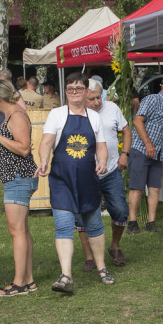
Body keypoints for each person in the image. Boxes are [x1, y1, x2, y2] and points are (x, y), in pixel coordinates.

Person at [37, 72, 112, 294]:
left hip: (88, 179)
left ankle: (102, 268)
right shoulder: (57, 114)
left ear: (87, 91)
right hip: (62, 180)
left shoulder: (94, 117)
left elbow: (101, 146)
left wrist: (104, 161)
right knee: (63, 226)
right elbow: (46, 142)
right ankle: (66, 275)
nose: (74, 93)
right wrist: (43, 160)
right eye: (70, 89)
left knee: (95, 225)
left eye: (79, 89)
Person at [0, 79, 38, 297]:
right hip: (15, 178)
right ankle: (28, 280)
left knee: (16, 231)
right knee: (22, 231)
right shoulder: (10, 115)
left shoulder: (17, 116)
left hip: (19, 178)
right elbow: (0, 144)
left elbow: (24, 148)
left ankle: (19, 284)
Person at [77, 78, 131, 269]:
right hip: (85, 174)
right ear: (83, 97)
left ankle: (115, 246)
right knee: (83, 213)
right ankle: (89, 256)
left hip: (111, 171)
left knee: (121, 210)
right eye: (92, 99)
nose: (97, 102)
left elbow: (126, 130)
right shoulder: (75, 113)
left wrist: (124, 154)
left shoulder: (112, 109)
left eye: (99, 97)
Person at [127, 76, 163, 234]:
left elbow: (161, 129)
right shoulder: (152, 99)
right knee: (137, 188)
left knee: (154, 188)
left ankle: (151, 222)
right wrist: (148, 144)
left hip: (158, 152)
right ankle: (132, 222)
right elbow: (138, 121)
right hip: (142, 150)